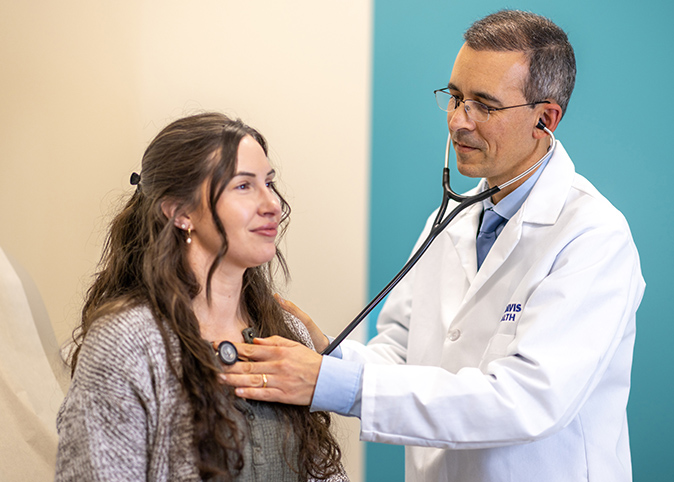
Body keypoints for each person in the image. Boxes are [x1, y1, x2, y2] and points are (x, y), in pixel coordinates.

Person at [222, 10, 646, 482]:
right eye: (456, 97)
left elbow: (526, 402)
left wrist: (331, 384)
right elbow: (402, 354)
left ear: (545, 118)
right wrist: (331, 356)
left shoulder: (592, 237)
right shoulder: (449, 222)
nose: (459, 121)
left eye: (484, 105)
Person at [55, 112, 348, 481]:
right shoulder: (127, 342)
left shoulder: (287, 332)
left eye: (269, 183)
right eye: (243, 186)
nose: (271, 203)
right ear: (180, 212)